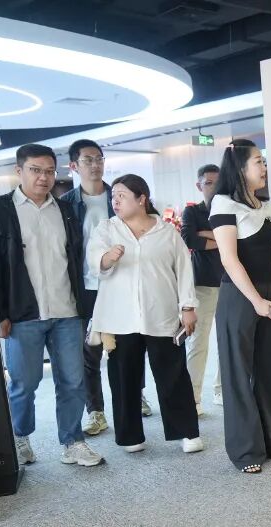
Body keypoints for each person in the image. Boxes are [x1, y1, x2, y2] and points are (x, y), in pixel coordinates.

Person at [0, 144, 104, 467]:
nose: (44, 177)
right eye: (35, 170)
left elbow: (78, 259)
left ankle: (73, 441)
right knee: (24, 383)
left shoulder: (66, 210)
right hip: (22, 314)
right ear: (19, 171)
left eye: (49, 171)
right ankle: (20, 438)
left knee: (73, 381)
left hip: (67, 311)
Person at [88, 175, 202, 453]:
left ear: (142, 199)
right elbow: (94, 261)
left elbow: (183, 270)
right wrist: (107, 258)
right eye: (113, 196)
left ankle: (186, 432)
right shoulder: (106, 229)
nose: (115, 201)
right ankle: (130, 436)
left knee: (173, 374)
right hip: (120, 318)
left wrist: (188, 307)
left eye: (122, 195)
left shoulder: (166, 232)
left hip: (161, 313)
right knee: (123, 378)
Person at [211, 139, 271, 474]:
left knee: (269, 371)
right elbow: (229, 259)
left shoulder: (266, 205)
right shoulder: (222, 203)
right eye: (258, 161)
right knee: (237, 374)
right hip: (239, 298)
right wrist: (256, 301)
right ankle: (246, 451)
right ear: (240, 168)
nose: (264, 167)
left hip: (269, 297)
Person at [63, 139, 114, 435]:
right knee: (89, 351)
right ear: (74, 166)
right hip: (85, 286)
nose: (95, 165)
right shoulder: (66, 204)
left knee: (127, 345)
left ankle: (136, 395)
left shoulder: (120, 195)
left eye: (99, 159)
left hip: (119, 284)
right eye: (88, 160)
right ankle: (95, 411)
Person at [180, 163, 224, 414]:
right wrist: (222, 239)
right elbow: (189, 239)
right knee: (198, 343)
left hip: (230, 284)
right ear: (199, 186)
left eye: (218, 182)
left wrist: (207, 234)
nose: (214, 187)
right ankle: (193, 398)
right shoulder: (192, 212)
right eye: (208, 183)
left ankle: (221, 390)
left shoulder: (230, 208)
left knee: (227, 343)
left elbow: (239, 239)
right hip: (203, 285)